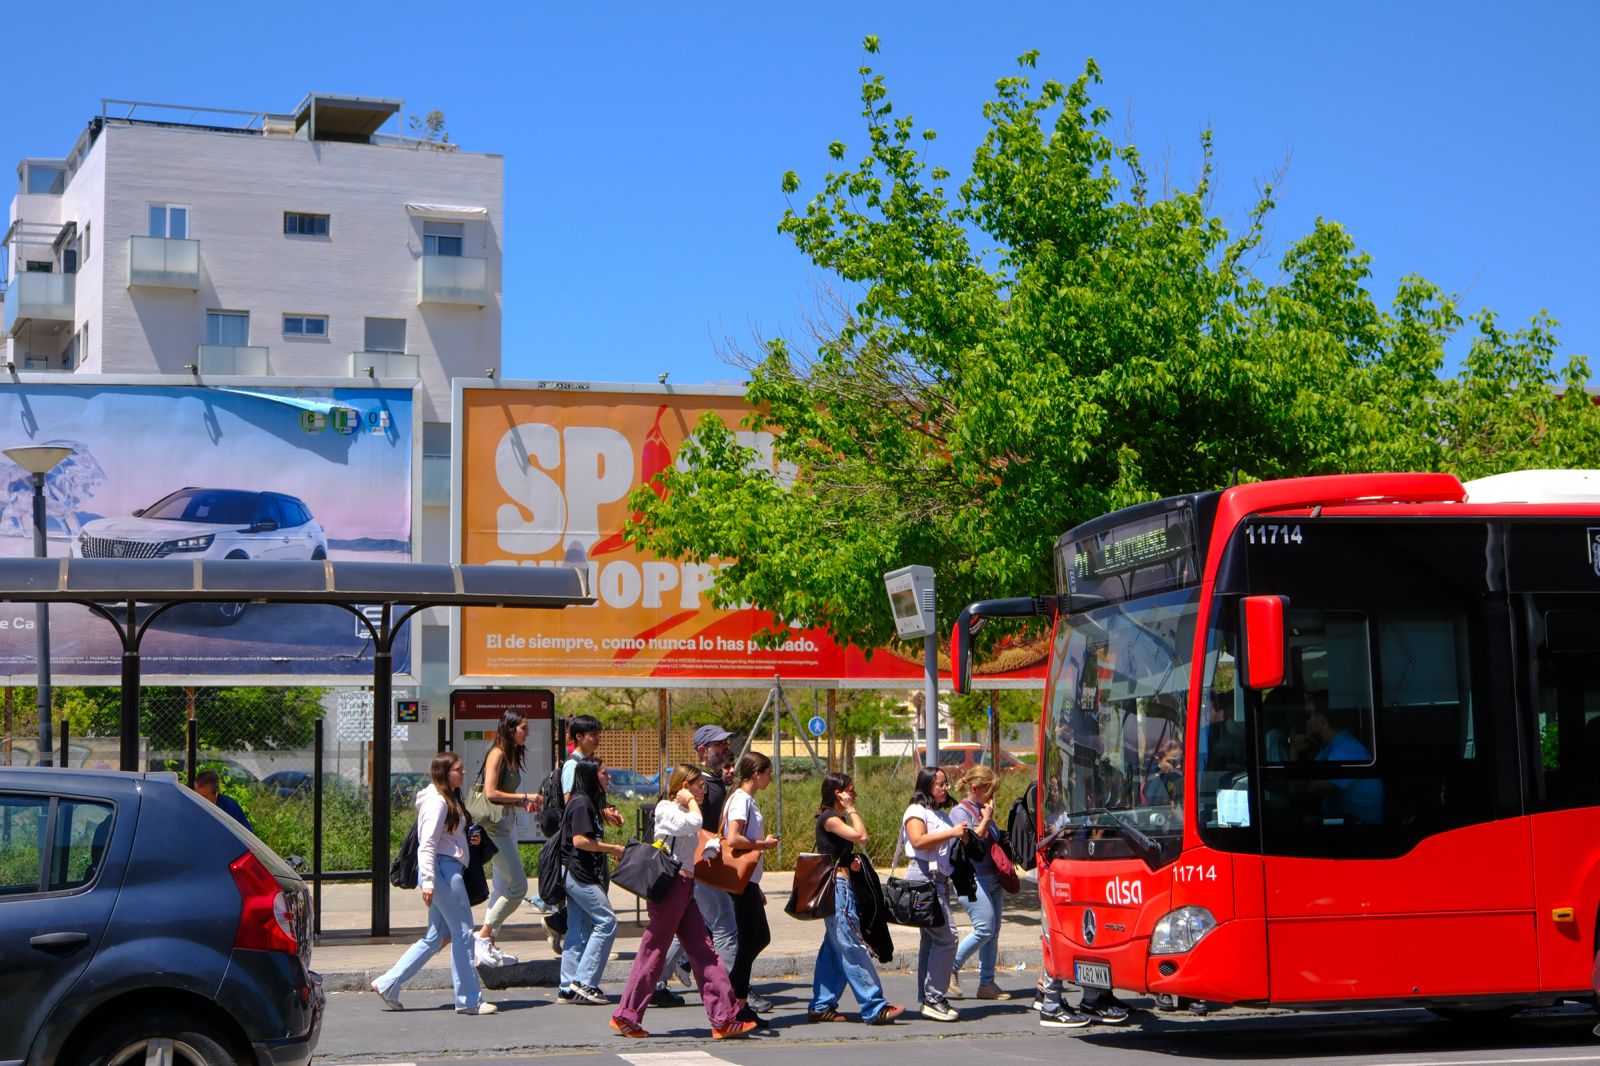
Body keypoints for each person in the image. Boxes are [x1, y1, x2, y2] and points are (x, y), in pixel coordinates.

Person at [608, 765, 757, 1040]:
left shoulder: (688, 812)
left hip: (686, 888)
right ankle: (626, 1015)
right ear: (683, 786)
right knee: (653, 951)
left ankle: (724, 1017)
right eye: (698, 785)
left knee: (705, 951)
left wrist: (710, 847)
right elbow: (692, 825)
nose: (703, 790)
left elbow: (695, 842)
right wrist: (689, 802)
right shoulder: (667, 807)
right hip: (669, 888)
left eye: (703, 786)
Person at [371, 752, 497, 1015]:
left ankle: (388, 982)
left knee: (436, 936)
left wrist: (466, 838)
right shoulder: (438, 802)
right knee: (463, 932)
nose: (463, 772)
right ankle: (469, 1000)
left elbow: (443, 838)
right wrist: (428, 881)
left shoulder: (448, 798)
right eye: (458, 769)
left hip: (445, 868)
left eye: (463, 768)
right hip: (442, 870)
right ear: (443, 773)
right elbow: (426, 844)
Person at [808, 771, 904, 1025]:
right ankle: (874, 1006)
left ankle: (821, 1005)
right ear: (838, 793)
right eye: (850, 790)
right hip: (837, 891)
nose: (855, 794)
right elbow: (861, 836)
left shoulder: (832, 818)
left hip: (842, 887)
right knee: (852, 947)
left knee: (833, 949)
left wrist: (851, 863)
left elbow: (840, 851)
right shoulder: (830, 818)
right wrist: (851, 810)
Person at [546, 716, 624, 955]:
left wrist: (604, 812)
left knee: (587, 906)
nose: (598, 739)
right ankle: (562, 925)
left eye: (598, 734)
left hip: (586, 847)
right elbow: (573, 802)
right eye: (593, 734)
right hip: (578, 851)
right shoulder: (573, 766)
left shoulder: (588, 762)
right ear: (579, 737)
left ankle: (575, 950)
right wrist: (598, 812)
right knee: (596, 904)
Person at [473, 710, 543, 967]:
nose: (528, 733)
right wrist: (524, 798)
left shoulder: (512, 754)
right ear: (511, 728)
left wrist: (521, 804)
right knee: (518, 888)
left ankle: (488, 943)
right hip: (495, 829)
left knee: (505, 887)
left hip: (506, 824)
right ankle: (482, 937)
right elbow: (491, 792)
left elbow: (503, 796)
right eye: (524, 728)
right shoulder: (498, 753)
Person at [901, 766, 969, 1021]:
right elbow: (918, 841)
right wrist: (951, 833)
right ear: (927, 785)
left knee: (931, 940)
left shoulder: (940, 814)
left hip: (939, 880)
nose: (945, 788)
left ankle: (928, 997)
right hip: (923, 878)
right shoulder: (916, 811)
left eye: (946, 783)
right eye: (939, 784)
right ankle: (934, 997)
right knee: (948, 937)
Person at [559, 757, 622, 1004]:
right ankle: (585, 982)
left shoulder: (587, 802)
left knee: (577, 930)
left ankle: (567, 987)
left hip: (578, 873)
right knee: (607, 922)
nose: (609, 777)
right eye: (604, 773)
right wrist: (613, 848)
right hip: (578, 874)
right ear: (591, 776)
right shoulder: (582, 803)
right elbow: (580, 841)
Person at [723, 751, 780, 1019]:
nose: (770, 777)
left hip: (749, 882)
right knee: (749, 941)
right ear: (756, 774)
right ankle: (739, 1004)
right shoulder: (741, 801)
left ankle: (733, 988)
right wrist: (763, 845)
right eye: (768, 773)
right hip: (740, 882)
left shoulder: (746, 800)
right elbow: (733, 839)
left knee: (761, 937)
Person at [948, 766, 1008, 1000]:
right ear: (975, 788)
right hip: (971, 879)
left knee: (993, 932)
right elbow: (971, 843)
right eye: (989, 791)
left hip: (991, 878)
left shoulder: (984, 809)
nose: (992, 797)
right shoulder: (960, 813)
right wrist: (985, 819)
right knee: (984, 928)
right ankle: (950, 968)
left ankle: (987, 984)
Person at [690, 724, 740, 970]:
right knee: (724, 926)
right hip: (699, 863)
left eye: (725, 743)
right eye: (719, 744)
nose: (725, 748)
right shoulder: (698, 782)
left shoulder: (714, 781)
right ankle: (728, 988)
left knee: (693, 922)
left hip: (703, 863)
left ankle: (660, 979)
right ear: (702, 750)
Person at [1293, 691, 1384, 824]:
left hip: (1361, 830)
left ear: (1321, 720)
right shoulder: (1334, 745)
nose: (1307, 722)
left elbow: (1309, 792)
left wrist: (1294, 754)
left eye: (1309, 716)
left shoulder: (1348, 751)